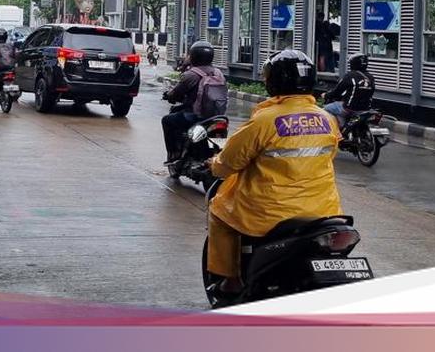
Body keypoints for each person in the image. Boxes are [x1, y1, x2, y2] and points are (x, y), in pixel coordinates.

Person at [204, 49, 342, 297]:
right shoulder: (328, 119)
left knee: (219, 212)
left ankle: (232, 281)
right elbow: (329, 156)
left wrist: (213, 164)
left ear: (274, 81)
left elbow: (229, 163)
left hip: (271, 213)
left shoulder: (264, 120)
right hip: (323, 210)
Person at [161, 41, 221, 163]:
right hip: (217, 116)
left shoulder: (191, 75)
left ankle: (174, 154)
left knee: (167, 120)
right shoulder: (218, 73)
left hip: (194, 115)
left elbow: (176, 93)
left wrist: (169, 96)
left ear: (193, 56)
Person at [322, 53, 377, 128]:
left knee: (326, 108)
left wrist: (326, 95)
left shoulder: (350, 75)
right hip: (365, 109)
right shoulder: (371, 77)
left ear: (353, 63)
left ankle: (338, 129)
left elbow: (337, 92)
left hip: (350, 108)